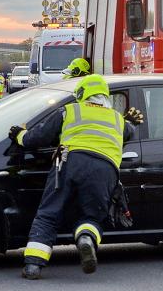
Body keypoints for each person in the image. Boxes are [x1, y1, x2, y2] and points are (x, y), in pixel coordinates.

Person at [8, 74, 143, 280]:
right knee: (93, 216)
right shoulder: (117, 119)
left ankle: (33, 265)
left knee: (49, 213)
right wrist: (130, 122)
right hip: (104, 169)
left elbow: (36, 137)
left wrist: (18, 134)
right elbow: (129, 131)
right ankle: (86, 238)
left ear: (81, 94)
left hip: (70, 161)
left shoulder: (70, 110)